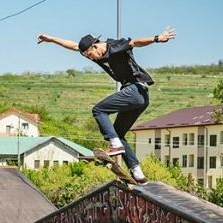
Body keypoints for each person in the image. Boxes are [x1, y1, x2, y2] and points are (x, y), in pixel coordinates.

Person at [37, 27, 176, 184]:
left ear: (95, 46)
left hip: (135, 89)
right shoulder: (91, 52)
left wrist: (157, 38)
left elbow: (135, 42)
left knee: (98, 110)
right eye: (87, 57)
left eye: (90, 54)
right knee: (118, 132)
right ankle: (137, 172)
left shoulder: (115, 46)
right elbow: (75, 46)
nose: (92, 58)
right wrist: (52, 39)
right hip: (140, 98)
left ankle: (115, 144)